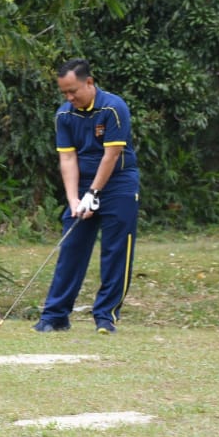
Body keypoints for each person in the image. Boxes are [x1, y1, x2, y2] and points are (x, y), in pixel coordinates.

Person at [33, 59, 139, 334]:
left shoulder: (113, 108)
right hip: (81, 185)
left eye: (73, 91)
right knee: (72, 247)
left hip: (119, 183)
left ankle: (106, 317)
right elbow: (67, 159)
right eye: (64, 93)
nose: (69, 98)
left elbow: (111, 155)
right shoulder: (64, 115)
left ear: (89, 83)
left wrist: (94, 192)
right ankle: (55, 316)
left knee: (116, 250)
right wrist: (74, 200)